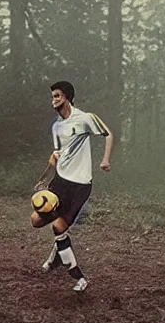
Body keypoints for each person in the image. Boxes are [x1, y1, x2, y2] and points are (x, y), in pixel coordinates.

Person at [31, 80, 114, 292]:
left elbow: (108, 134)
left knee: (59, 226)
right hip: (60, 181)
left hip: (80, 185)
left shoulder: (85, 118)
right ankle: (57, 257)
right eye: (52, 97)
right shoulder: (56, 127)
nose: (54, 100)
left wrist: (105, 160)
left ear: (67, 96)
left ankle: (79, 279)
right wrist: (44, 176)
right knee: (36, 219)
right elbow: (57, 156)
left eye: (57, 96)